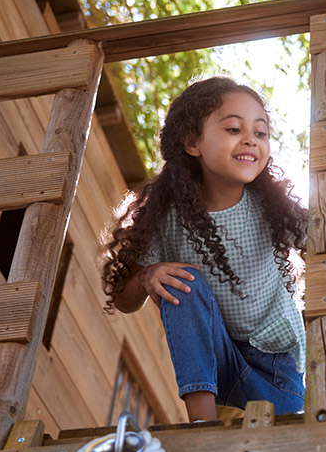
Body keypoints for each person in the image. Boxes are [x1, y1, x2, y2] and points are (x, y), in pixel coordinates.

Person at [100, 76, 307, 422]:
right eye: (233, 129)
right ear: (193, 142)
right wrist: (148, 276)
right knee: (182, 281)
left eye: (260, 133)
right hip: (212, 357)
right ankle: (201, 424)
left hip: (276, 371)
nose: (250, 141)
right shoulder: (164, 217)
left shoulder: (274, 207)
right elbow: (123, 299)